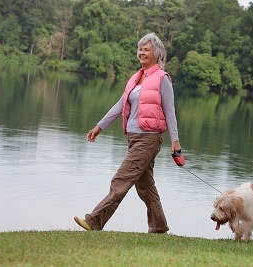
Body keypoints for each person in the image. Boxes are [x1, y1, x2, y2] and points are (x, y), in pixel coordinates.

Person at [74, 32, 181, 234]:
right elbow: (120, 105)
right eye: (140, 49)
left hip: (149, 138)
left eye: (146, 49)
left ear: (156, 54)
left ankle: (95, 221)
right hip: (134, 138)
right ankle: (159, 227)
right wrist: (100, 126)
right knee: (145, 187)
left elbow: (170, 111)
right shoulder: (136, 78)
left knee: (120, 180)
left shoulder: (162, 79)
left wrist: (175, 141)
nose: (141, 52)